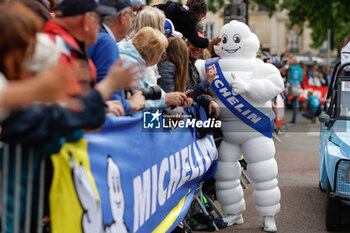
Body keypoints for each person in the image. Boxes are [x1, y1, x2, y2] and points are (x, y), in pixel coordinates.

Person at [88, 0, 146, 116]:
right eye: (131, 16)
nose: (131, 24)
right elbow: (111, 98)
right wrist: (131, 104)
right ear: (122, 17)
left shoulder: (99, 36)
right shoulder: (106, 41)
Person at [119, 27, 192, 109]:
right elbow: (137, 103)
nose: (162, 57)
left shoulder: (127, 54)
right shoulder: (132, 66)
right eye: (161, 54)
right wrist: (166, 100)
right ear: (154, 57)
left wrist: (171, 99)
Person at [154, 0, 220, 53]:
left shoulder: (174, 5)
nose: (200, 20)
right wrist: (210, 42)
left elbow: (156, 7)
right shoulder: (189, 19)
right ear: (199, 12)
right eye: (202, 17)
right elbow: (195, 40)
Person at [286, 54, 303, 124]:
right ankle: (294, 119)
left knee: (283, 100)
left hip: (290, 86)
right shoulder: (300, 69)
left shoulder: (291, 67)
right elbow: (301, 78)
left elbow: (286, 68)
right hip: (297, 86)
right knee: (296, 103)